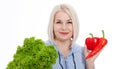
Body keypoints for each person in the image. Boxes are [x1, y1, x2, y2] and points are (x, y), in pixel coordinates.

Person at [46, 4, 101, 69]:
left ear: (75, 25)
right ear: (52, 25)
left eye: (69, 22)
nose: (64, 27)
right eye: (59, 22)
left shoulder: (83, 52)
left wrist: (90, 63)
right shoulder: (41, 50)